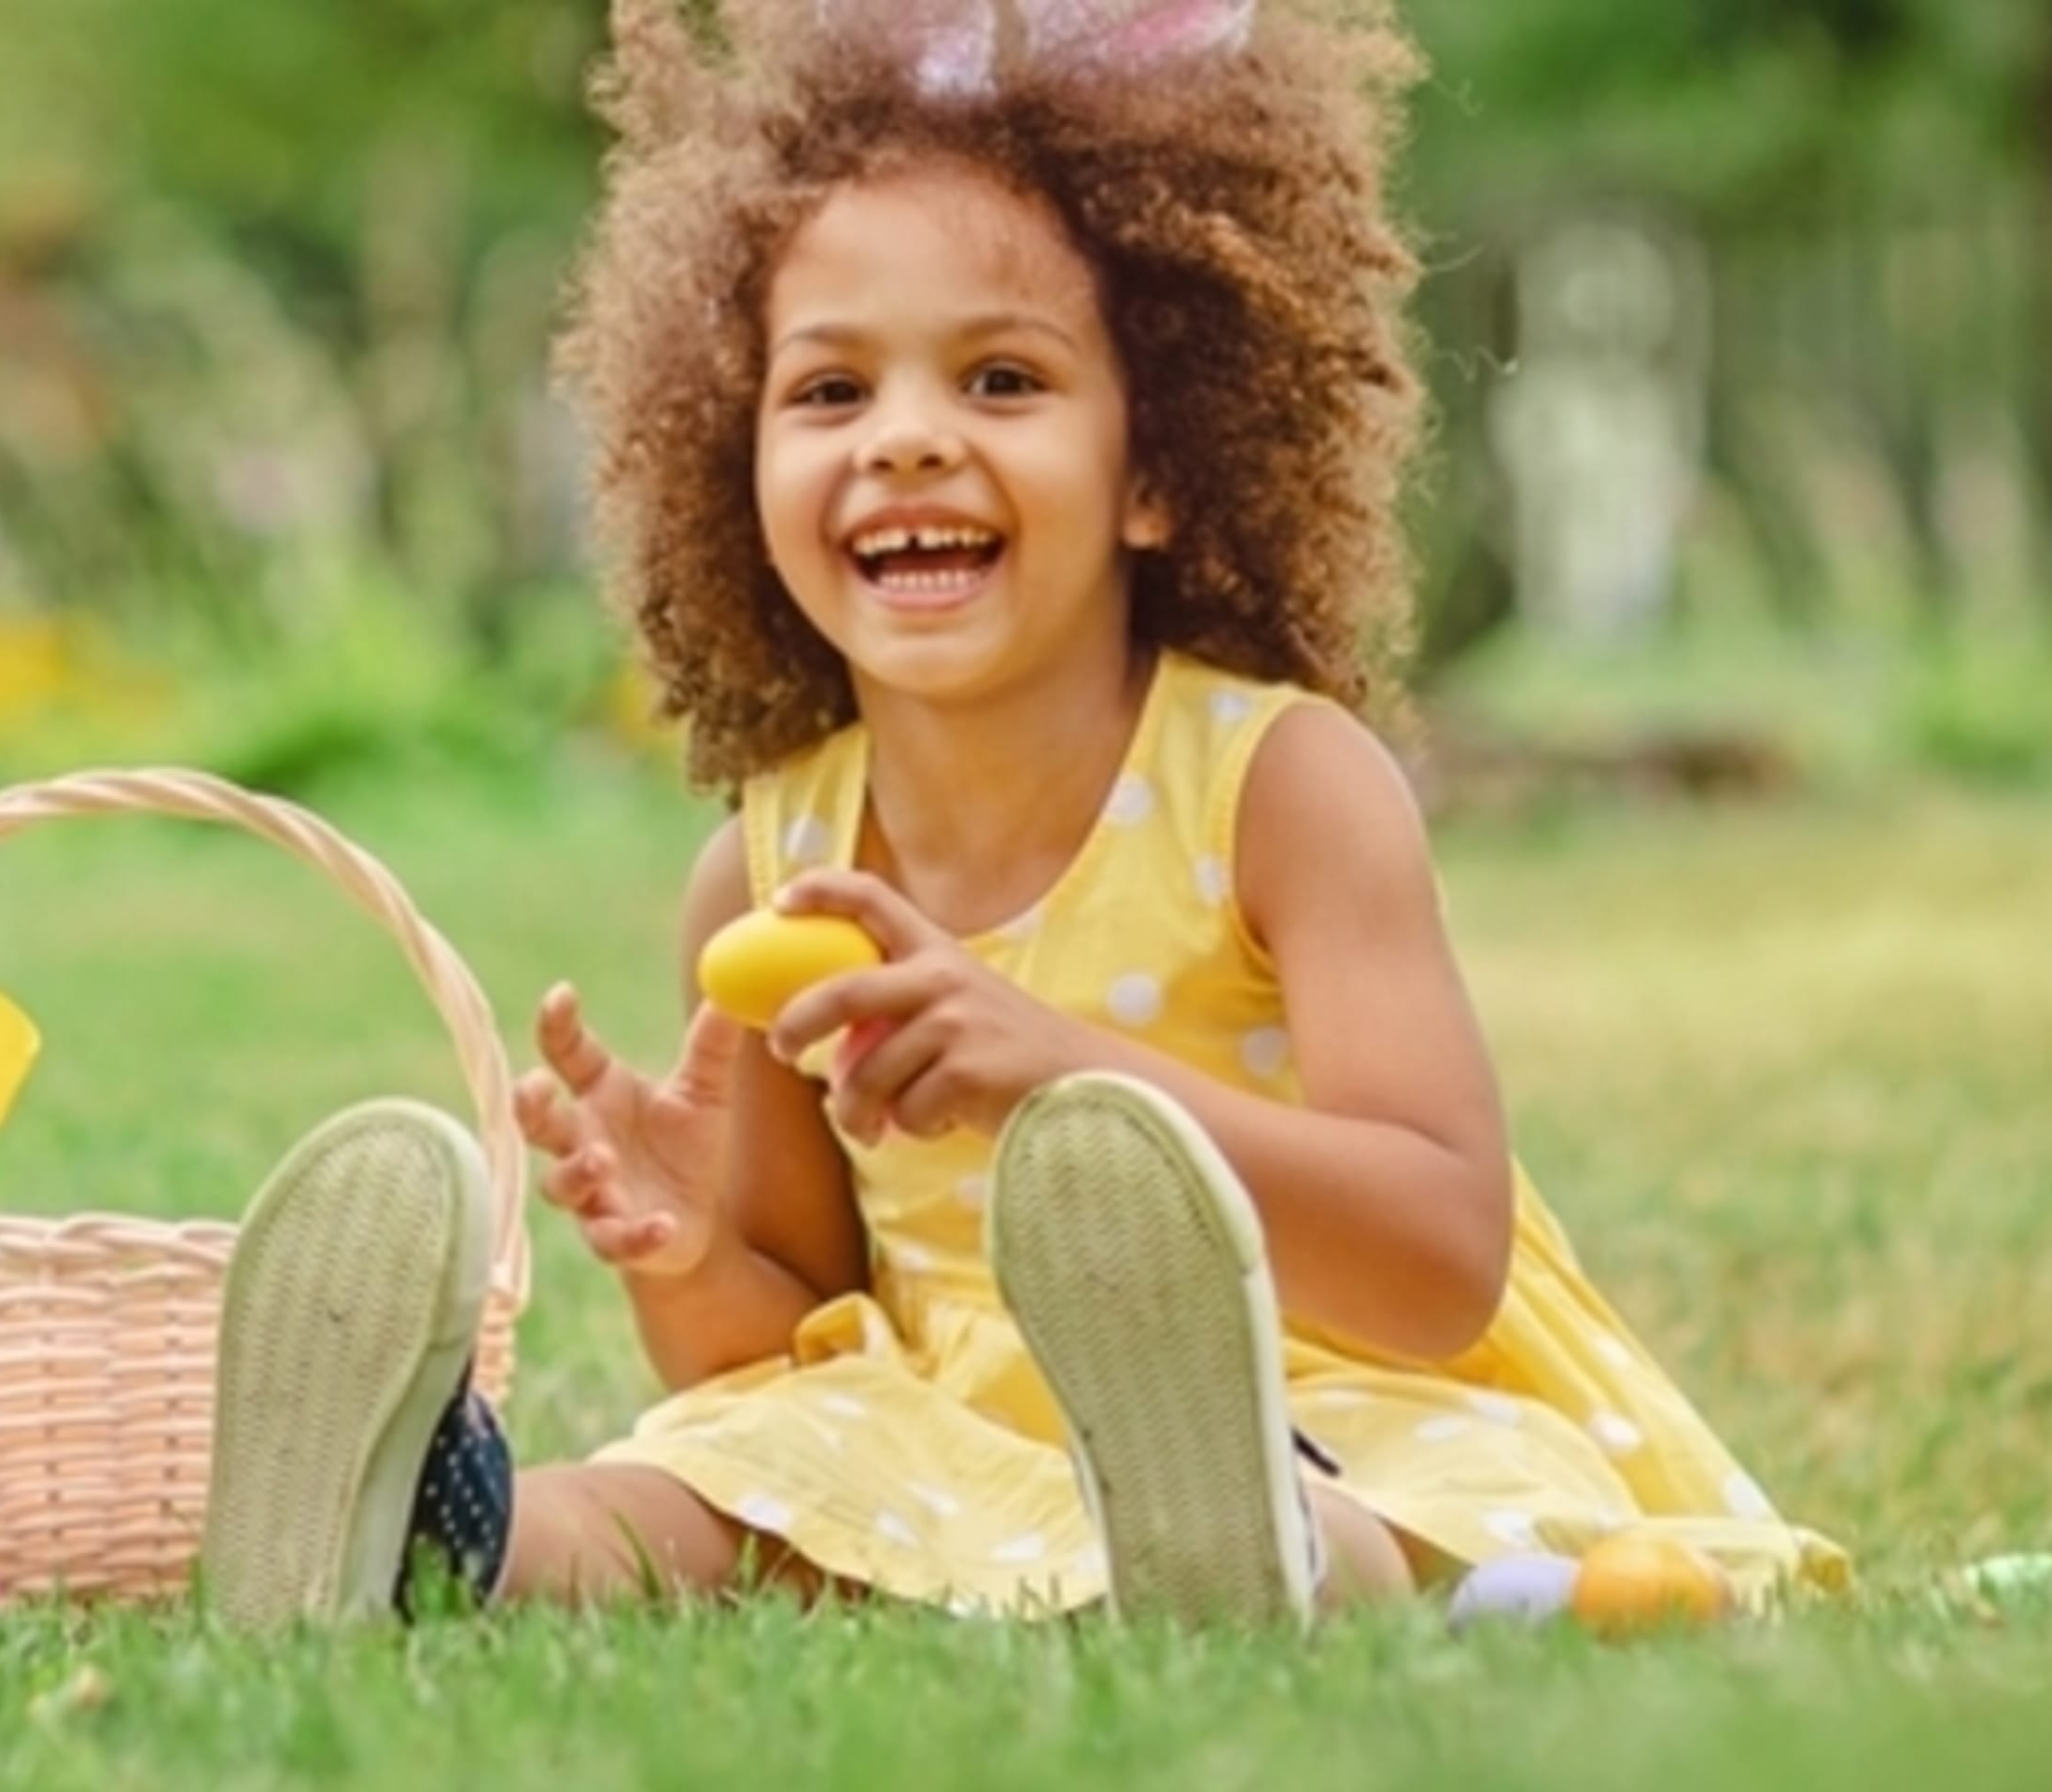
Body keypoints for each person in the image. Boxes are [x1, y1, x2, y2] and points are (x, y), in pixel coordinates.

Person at [193, 0, 1850, 1630]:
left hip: (1336, 1395)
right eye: (829, 394)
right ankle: (430, 1527)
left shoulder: (1279, 788)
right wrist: (687, 1246)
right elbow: (778, 1357)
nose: (907, 441)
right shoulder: (773, 876)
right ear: (733, 464)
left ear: (1161, 467)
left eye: (999, 380)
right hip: (953, 1434)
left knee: (1364, 1510)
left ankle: (1239, 1535)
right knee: (719, 1477)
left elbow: (1440, 1261)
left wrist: (1055, 1064)